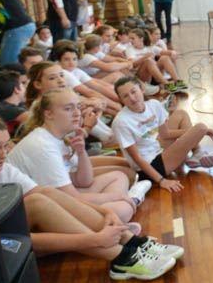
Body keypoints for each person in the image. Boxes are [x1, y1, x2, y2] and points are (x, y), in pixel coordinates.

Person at [0, 115, 180, 281]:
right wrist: (94, 239)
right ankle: (119, 257)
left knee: (44, 194)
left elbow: (50, 196)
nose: (4, 154)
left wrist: (106, 214)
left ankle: (130, 242)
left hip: (15, 238)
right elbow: (3, 243)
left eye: (5, 146)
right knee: (38, 202)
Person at [8, 88, 150, 222]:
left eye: (78, 107)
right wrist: (115, 197)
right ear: (48, 114)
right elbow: (70, 198)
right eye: (68, 108)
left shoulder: (59, 136)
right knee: (122, 209)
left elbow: (84, 181)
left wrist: (81, 152)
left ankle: (118, 213)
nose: (77, 113)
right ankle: (129, 202)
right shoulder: (42, 146)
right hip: (35, 214)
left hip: (63, 198)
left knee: (119, 176)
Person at [113, 76, 213, 193]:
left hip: (158, 149)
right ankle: (196, 154)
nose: (132, 98)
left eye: (133, 92)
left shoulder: (153, 105)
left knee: (181, 114)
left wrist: (197, 133)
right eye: (125, 96)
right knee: (201, 127)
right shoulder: (121, 121)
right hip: (150, 167)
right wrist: (161, 181)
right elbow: (137, 158)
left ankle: (197, 152)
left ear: (142, 89)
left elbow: (166, 134)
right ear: (121, 100)